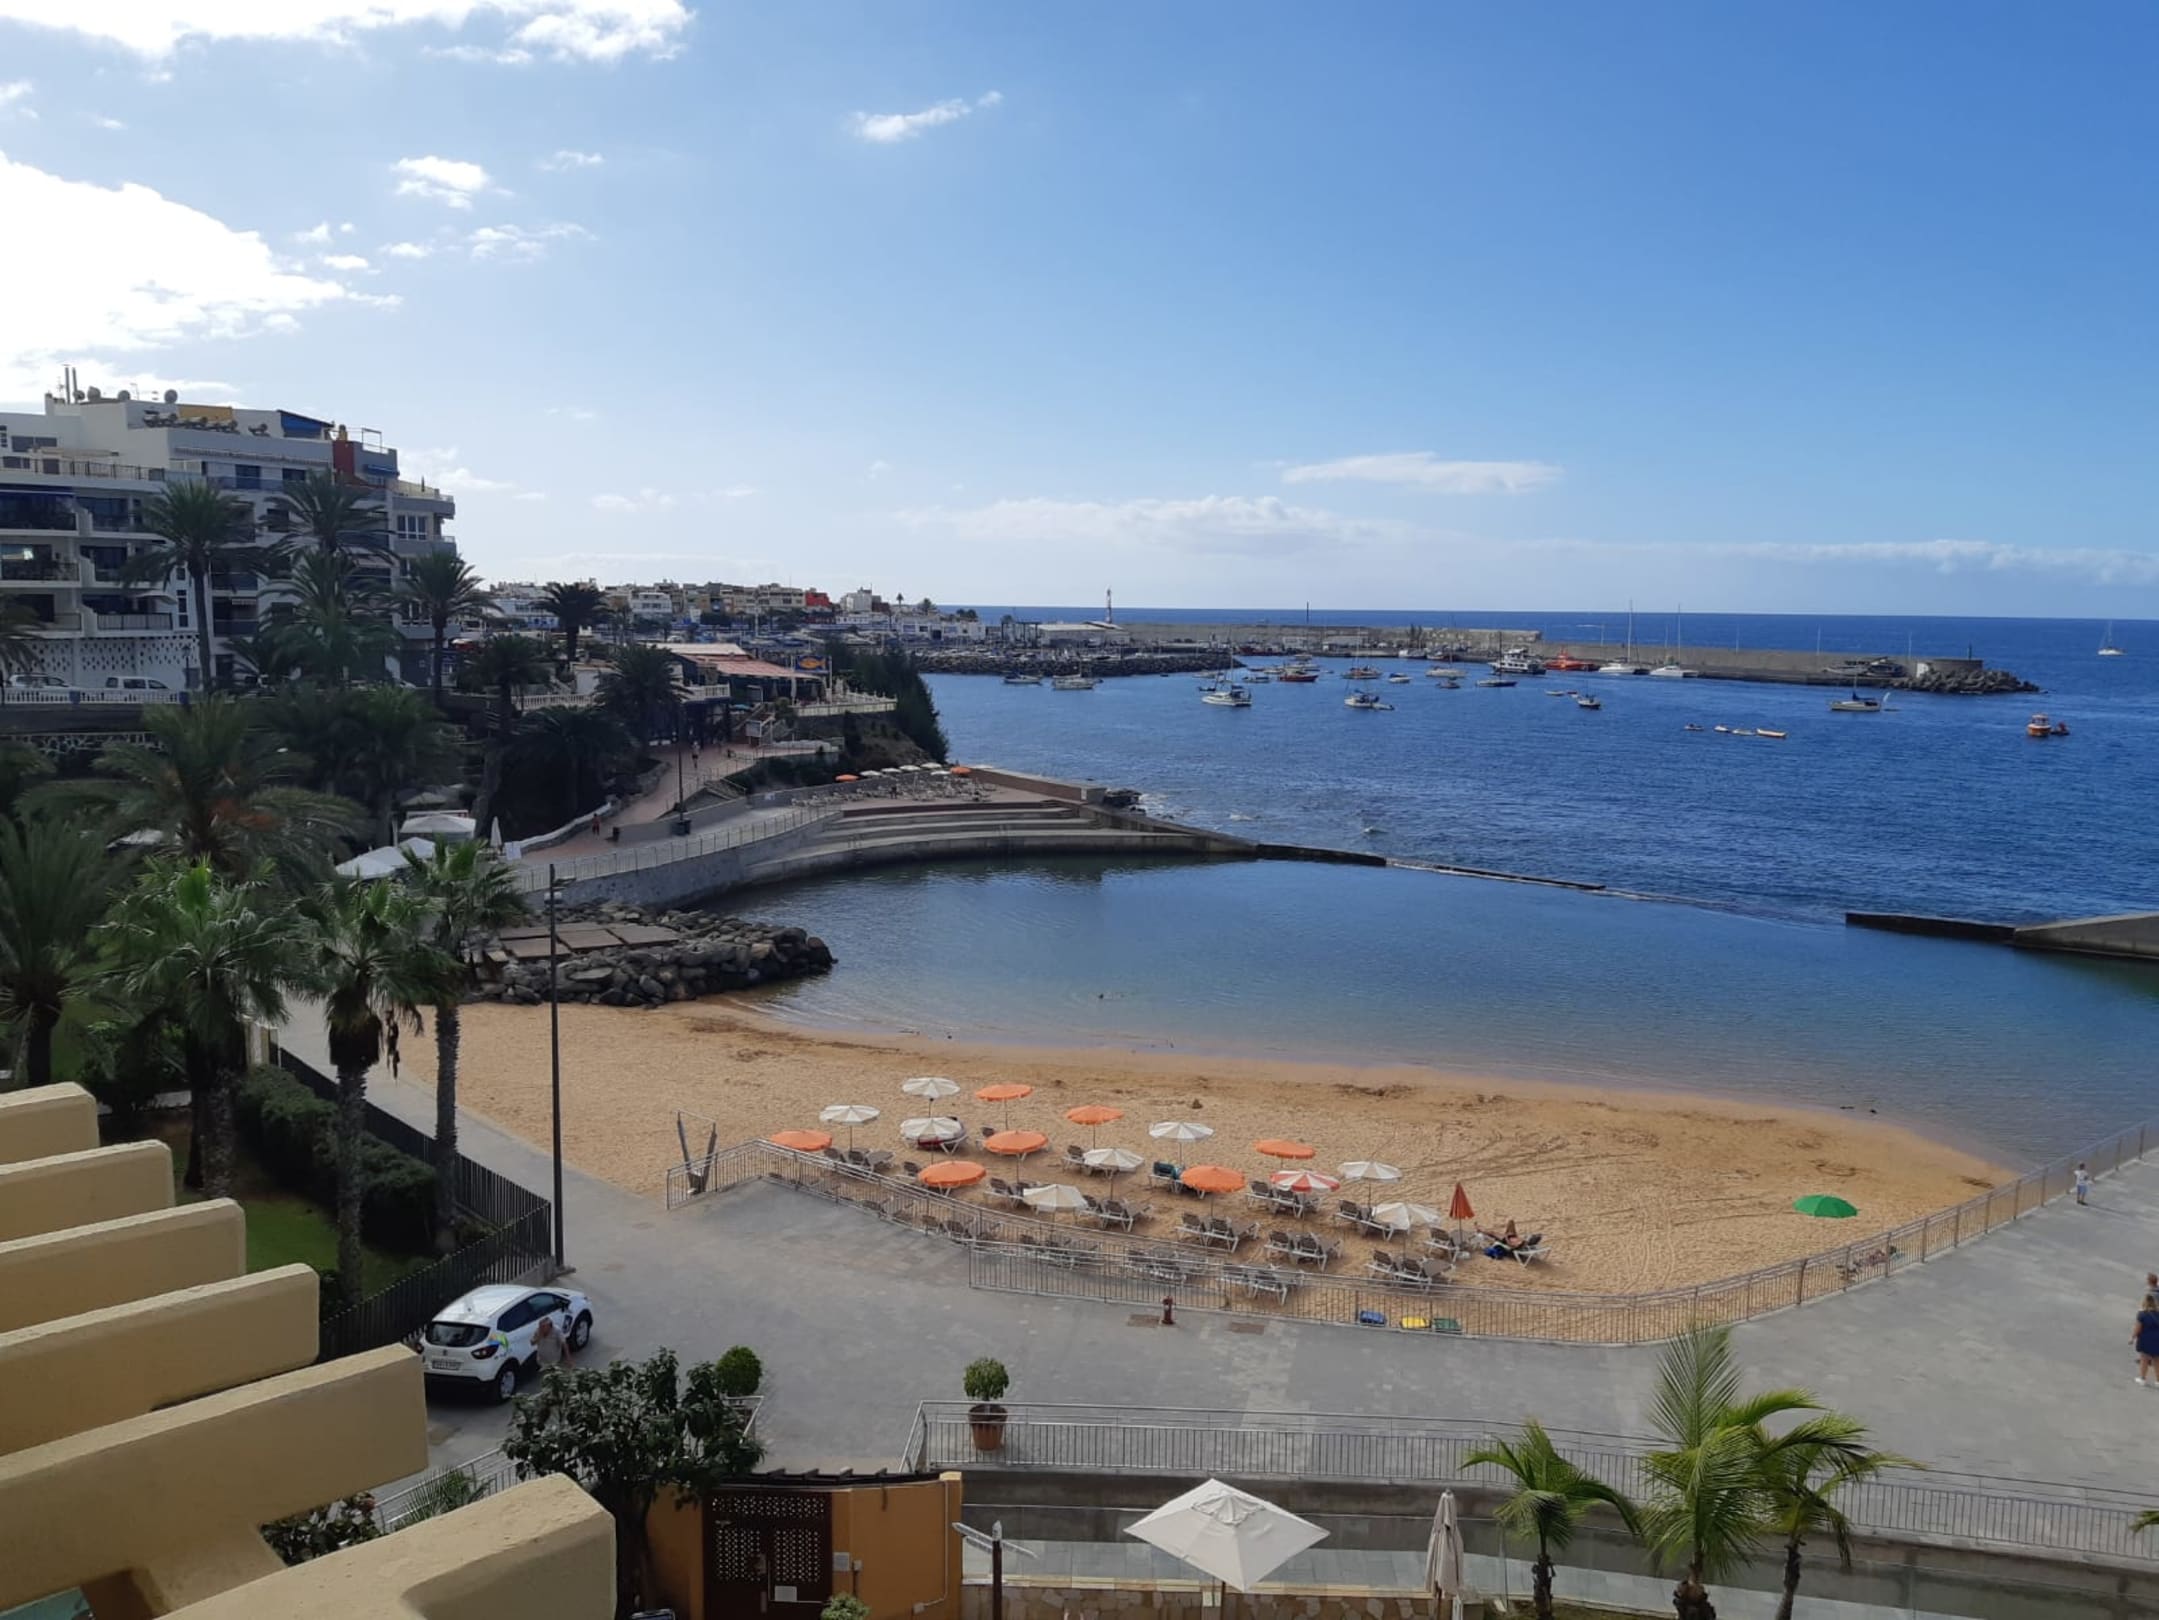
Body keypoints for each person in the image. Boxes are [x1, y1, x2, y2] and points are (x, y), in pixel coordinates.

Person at [2135, 1294, 2159, 1386]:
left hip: (2146, 1339)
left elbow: (2138, 1328)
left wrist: (2132, 1337)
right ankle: (2158, 1381)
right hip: (2157, 1340)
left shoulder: (2142, 1314)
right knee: (2157, 1360)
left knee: (2144, 1359)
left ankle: (2142, 1378)